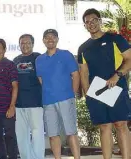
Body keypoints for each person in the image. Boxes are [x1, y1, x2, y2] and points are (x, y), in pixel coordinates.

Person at [78, 8, 131, 159]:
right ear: (85, 26)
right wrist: (88, 94)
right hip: (97, 92)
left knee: (121, 125)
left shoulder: (116, 39)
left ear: (100, 21)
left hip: (117, 88)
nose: (91, 24)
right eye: (87, 22)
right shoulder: (83, 48)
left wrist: (117, 76)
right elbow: (84, 73)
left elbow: (129, 59)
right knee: (104, 127)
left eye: (94, 20)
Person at [36, 29, 81, 159]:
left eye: (53, 37)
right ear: (43, 40)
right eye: (47, 37)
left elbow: (75, 75)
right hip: (48, 101)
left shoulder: (66, 54)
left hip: (66, 99)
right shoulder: (39, 59)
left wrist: (72, 95)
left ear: (57, 39)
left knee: (71, 132)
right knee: (52, 134)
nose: (50, 39)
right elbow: (41, 80)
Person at [13, 34, 45, 159]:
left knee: (37, 134)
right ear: (19, 45)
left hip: (35, 102)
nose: (25, 45)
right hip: (19, 104)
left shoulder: (39, 58)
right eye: (22, 43)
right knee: (21, 135)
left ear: (32, 44)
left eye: (28, 43)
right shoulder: (15, 60)